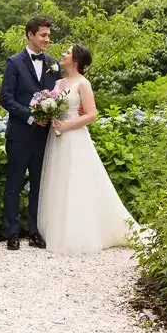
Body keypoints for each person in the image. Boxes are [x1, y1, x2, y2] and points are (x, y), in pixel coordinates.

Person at [37, 44, 144, 255]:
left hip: (74, 137)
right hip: (56, 139)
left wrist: (67, 125)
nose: (63, 54)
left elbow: (92, 115)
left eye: (67, 53)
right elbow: (52, 104)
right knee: (58, 181)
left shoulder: (83, 83)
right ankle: (56, 231)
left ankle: (79, 234)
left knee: (76, 182)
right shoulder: (58, 82)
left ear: (75, 60)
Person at [0, 17, 60, 250]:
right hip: (19, 134)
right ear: (30, 35)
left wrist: (54, 114)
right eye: (43, 35)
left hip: (44, 138)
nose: (47, 39)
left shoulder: (54, 64)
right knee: (13, 185)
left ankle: (35, 231)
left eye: (48, 35)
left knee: (38, 185)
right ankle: (12, 233)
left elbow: (58, 97)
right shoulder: (14, 63)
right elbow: (6, 99)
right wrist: (31, 116)